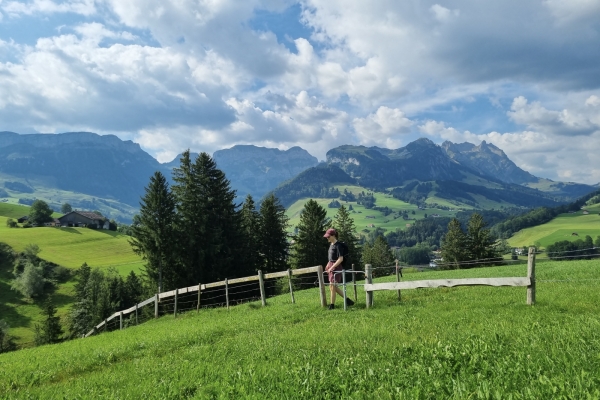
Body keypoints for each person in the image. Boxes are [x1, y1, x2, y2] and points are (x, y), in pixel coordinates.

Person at [324, 228, 354, 310]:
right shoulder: (331, 245)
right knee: (332, 287)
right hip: (331, 265)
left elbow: (340, 259)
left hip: (336, 267)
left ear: (333, 236)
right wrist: (327, 265)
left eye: (328, 236)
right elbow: (331, 258)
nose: (327, 238)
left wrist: (332, 267)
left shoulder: (338, 246)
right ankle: (348, 300)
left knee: (333, 286)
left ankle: (332, 305)